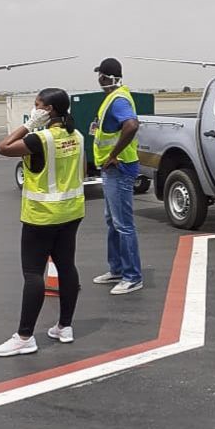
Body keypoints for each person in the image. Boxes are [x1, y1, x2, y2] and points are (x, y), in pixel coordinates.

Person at [0, 88, 85, 356]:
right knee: (66, 267)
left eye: (37, 106)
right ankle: (64, 326)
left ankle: (24, 336)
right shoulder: (76, 136)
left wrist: (28, 125)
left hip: (42, 215)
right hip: (70, 212)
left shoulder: (40, 139)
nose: (34, 110)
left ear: (49, 110)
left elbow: (2, 148)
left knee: (33, 274)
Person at [91, 57, 143, 295]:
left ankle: (132, 276)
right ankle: (118, 269)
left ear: (105, 77)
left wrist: (113, 154)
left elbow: (131, 125)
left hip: (119, 167)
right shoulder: (113, 97)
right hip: (112, 168)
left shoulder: (118, 99)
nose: (98, 78)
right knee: (113, 221)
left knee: (123, 224)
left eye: (100, 74)